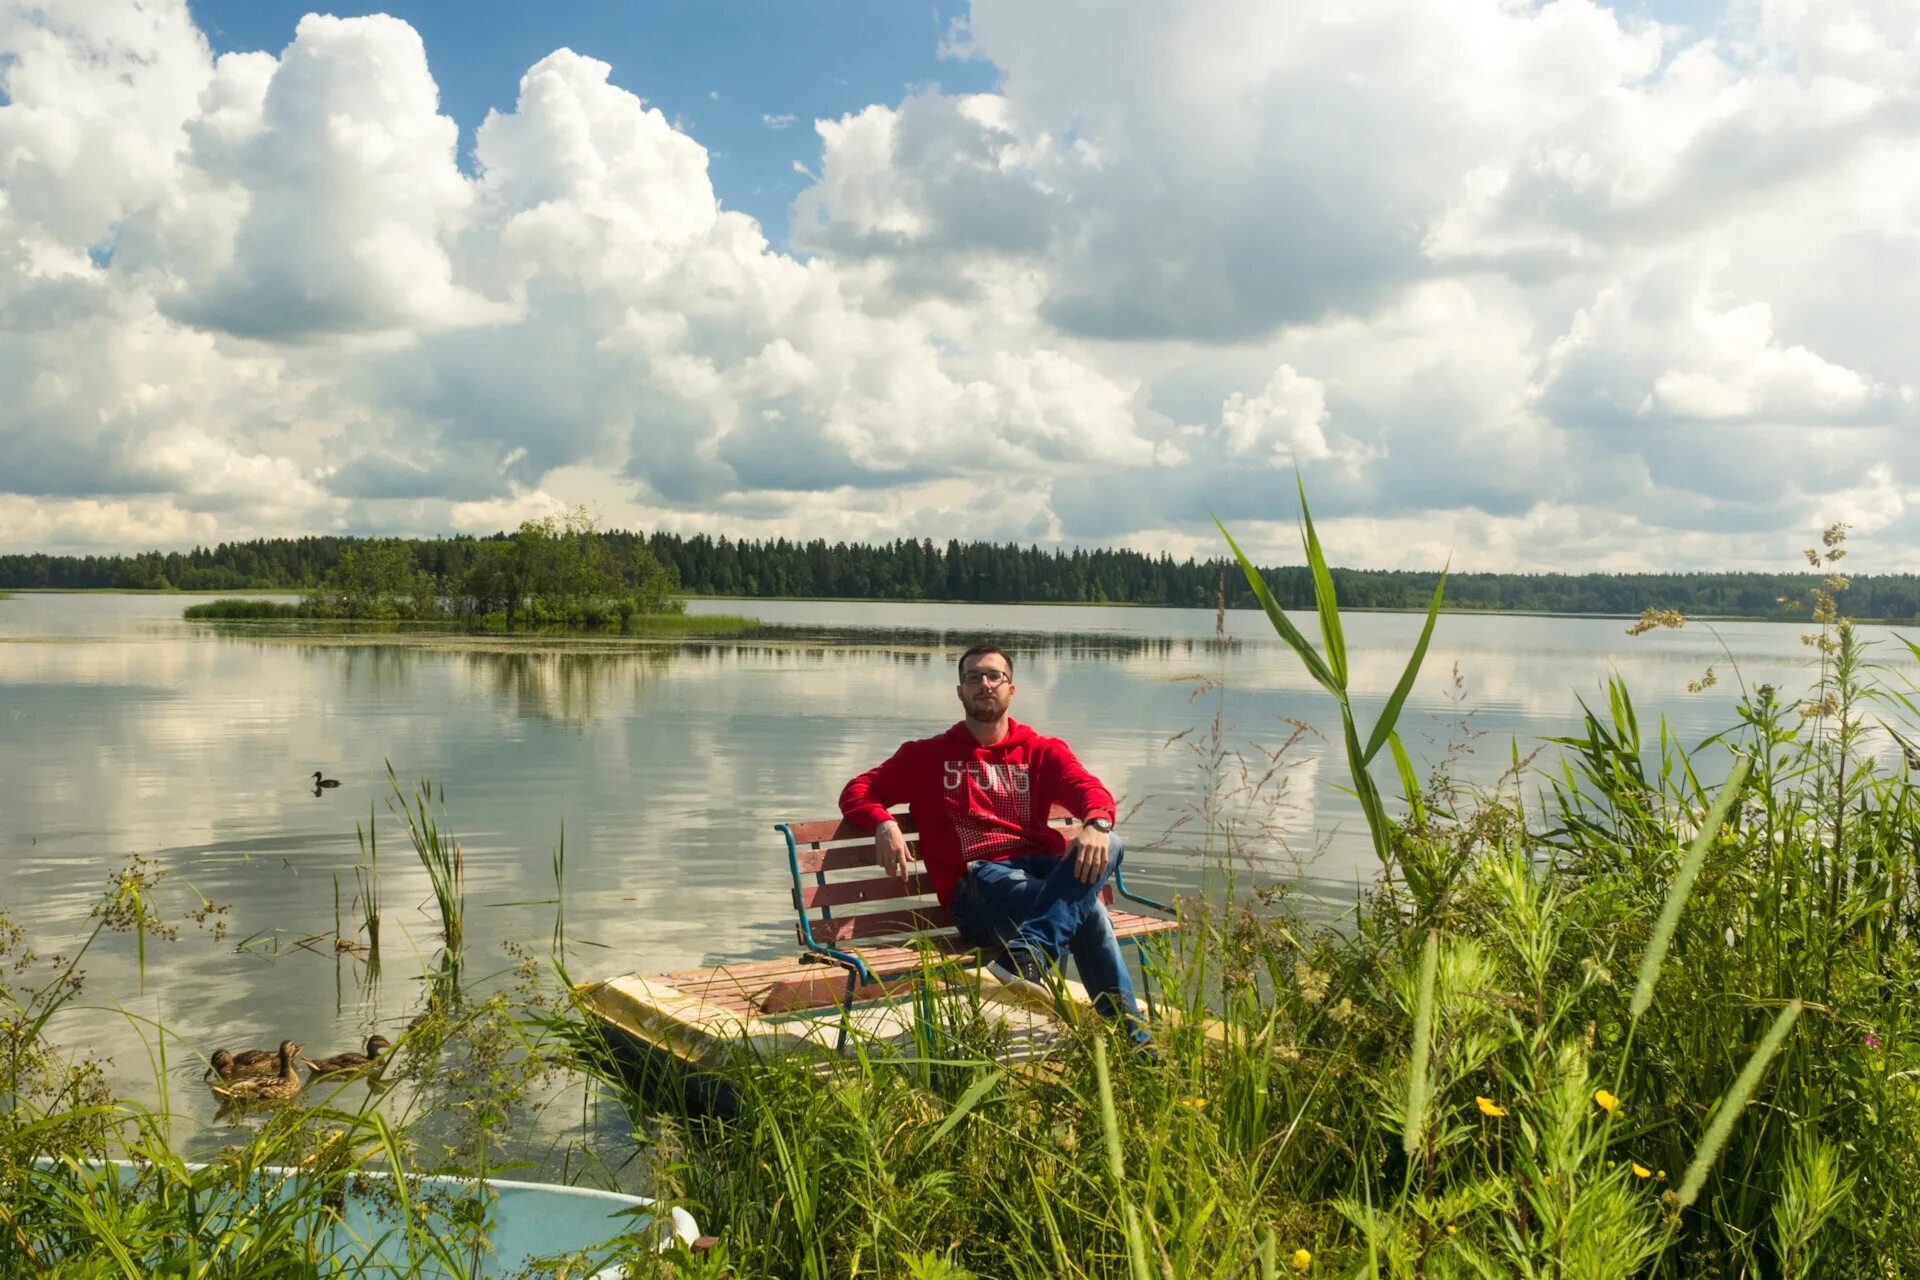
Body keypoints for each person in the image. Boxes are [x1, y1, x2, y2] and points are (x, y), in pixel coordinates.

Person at [838, 642, 1149, 1044]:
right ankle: (1135, 1049)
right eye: (973, 678)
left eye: (994, 676)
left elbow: (1088, 789)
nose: (984, 684)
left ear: (1011, 688)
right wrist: (882, 822)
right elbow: (859, 790)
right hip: (978, 889)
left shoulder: (1042, 751)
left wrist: (1097, 823)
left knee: (1113, 842)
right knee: (1089, 914)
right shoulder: (927, 756)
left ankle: (1027, 955)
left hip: (1040, 874)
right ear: (961, 692)